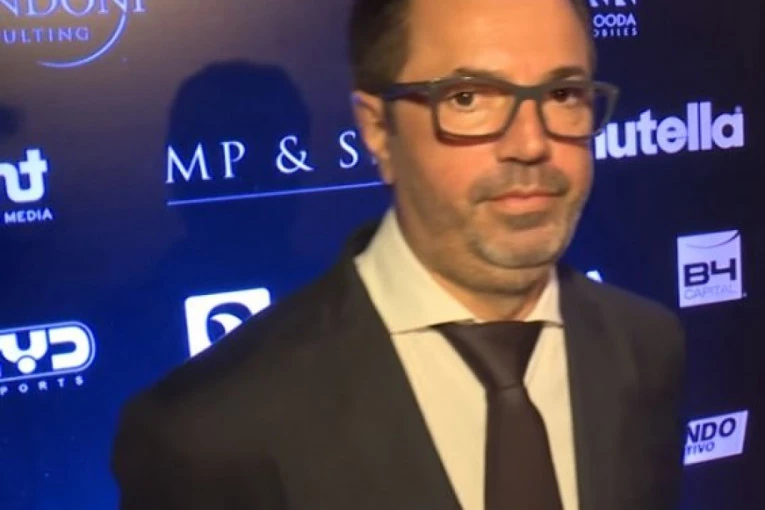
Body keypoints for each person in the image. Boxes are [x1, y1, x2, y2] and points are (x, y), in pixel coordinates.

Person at [111, 0, 687, 509]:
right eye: (468, 98)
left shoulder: (648, 349)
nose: (531, 144)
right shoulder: (205, 433)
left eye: (563, 95)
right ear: (378, 129)